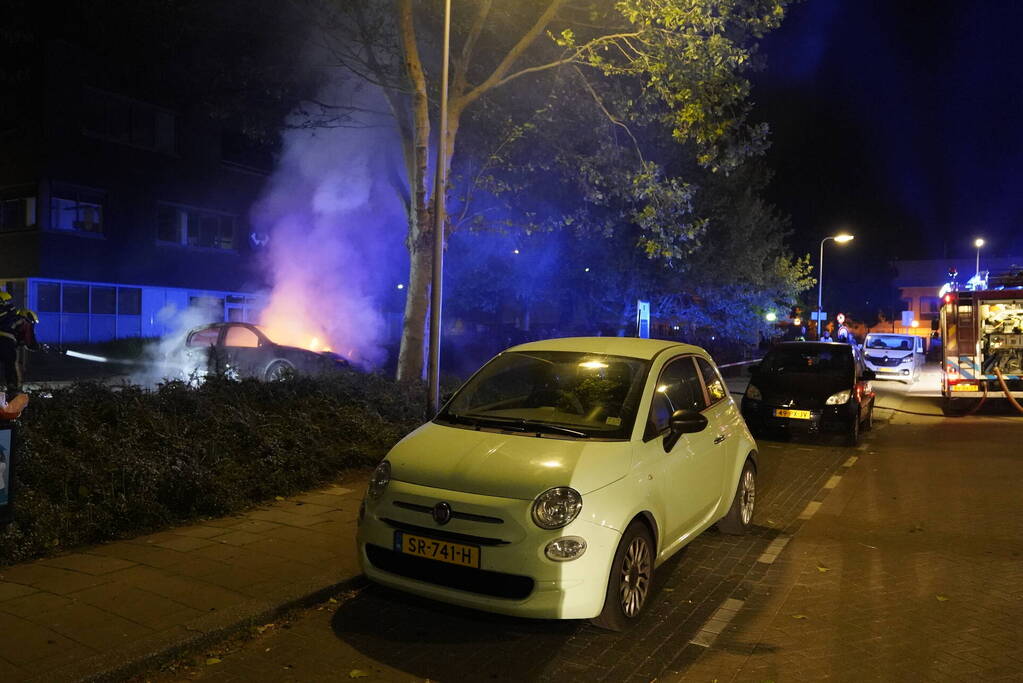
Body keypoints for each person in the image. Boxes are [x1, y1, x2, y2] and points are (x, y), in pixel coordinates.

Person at [0, 306, 41, 397]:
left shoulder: (8, 320)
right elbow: (29, 340)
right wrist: (36, 346)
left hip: (4, 339)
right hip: (5, 339)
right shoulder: (24, 321)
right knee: (12, 363)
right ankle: (15, 390)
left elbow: (18, 336)